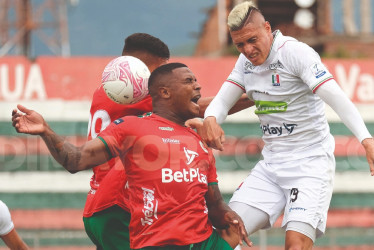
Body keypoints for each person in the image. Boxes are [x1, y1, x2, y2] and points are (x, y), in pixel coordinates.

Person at [12, 63, 252, 249]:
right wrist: (45, 131)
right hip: (155, 244)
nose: (198, 86)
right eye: (189, 81)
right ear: (165, 92)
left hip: (202, 244)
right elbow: (76, 160)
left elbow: (214, 203)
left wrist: (229, 216)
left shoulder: (199, 138)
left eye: (197, 81)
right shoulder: (130, 128)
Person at [202, 1, 374, 250]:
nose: (248, 50)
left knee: (295, 244)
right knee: (227, 234)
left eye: (252, 40)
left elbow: (336, 97)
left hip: (310, 165)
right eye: (240, 44)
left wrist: (366, 139)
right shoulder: (244, 63)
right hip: (271, 166)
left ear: (267, 28)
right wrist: (210, 120)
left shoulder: (295, 53)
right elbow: (220, 102)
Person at [83, 33, 170, 250]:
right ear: (135, 71)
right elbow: (191, 108)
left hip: (99, 199)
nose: (161, 79)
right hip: (120, 203)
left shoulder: (103, 91)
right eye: (156, 72)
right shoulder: (139, 95)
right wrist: (247, 95)